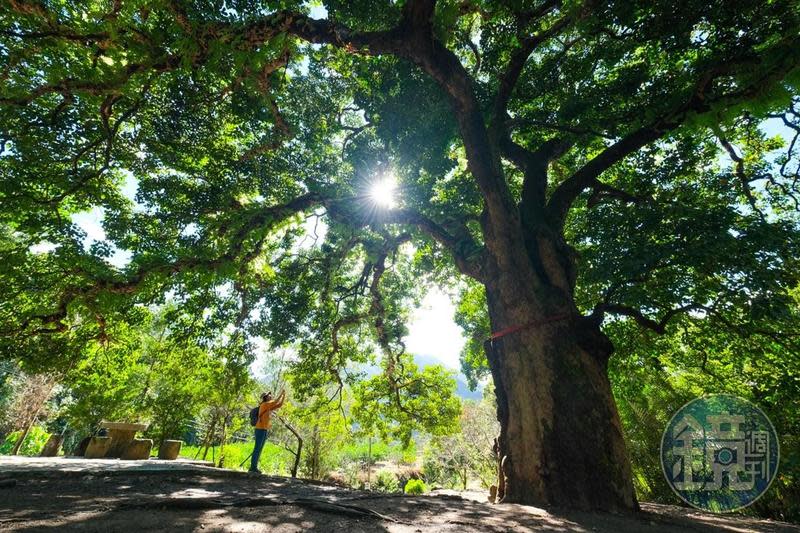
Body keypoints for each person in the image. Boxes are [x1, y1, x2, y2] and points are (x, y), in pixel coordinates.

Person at [249, 388, 286, 473]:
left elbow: (279, 404)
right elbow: (276, 401)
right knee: (257, 448)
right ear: (265, 397)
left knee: (260, 448)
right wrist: (281, 393)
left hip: (264, 429)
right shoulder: (264, 404)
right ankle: (252, 467)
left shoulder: (268, 406)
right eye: (269, 395)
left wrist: (284, 396)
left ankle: (254, 467)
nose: (270, 395)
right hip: (260, 429)